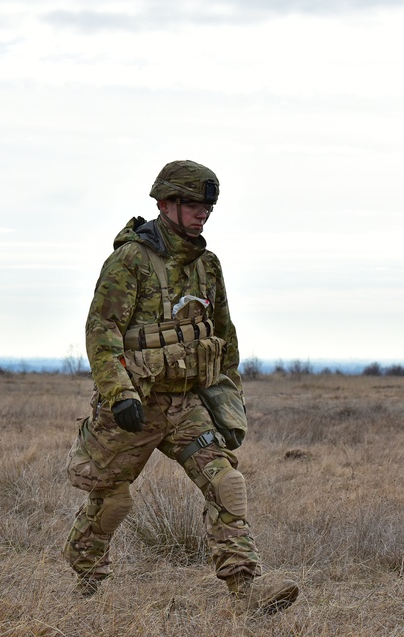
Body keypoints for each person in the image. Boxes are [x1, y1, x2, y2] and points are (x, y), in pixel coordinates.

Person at [62, 160, 299, 613]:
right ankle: (86, 572)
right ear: (164, 203)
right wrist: (120, 393)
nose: (203, 213)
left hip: (188, 403)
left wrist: (229, 402)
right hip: (136, 402)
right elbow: (102, 330)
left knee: (226, 483)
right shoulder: (130, 261)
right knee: (110, 498)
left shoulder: (208, 266)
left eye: (207, 206)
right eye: (193, 204)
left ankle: (247, 589)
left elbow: (224, 338)